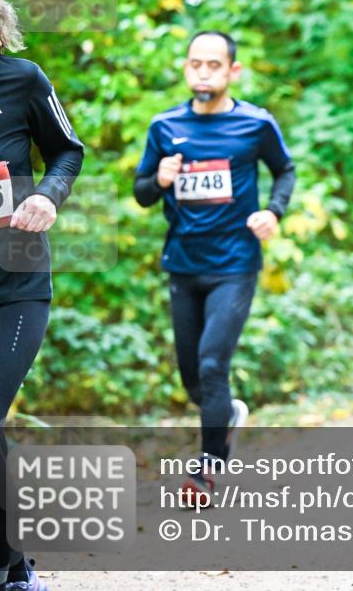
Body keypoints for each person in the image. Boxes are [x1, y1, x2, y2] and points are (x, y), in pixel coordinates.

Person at [135, 31, 295, 504]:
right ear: (186, 69)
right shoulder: (164, 127)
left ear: (232, 72)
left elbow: (284, 170)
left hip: (235, 264)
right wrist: (159, 179)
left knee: (211, 364)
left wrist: (274, 211)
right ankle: (225, 419)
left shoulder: (255, 124)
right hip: (183, 264)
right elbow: (141, 192)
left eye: (214, 65)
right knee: (193, 378)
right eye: (195, 64)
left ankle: (207, 472)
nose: (203, 72)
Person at [0, 0, 84, 591]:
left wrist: (47, 195)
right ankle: (14, 564)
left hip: (11, 284)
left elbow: (67, 149)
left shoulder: (20, 80)